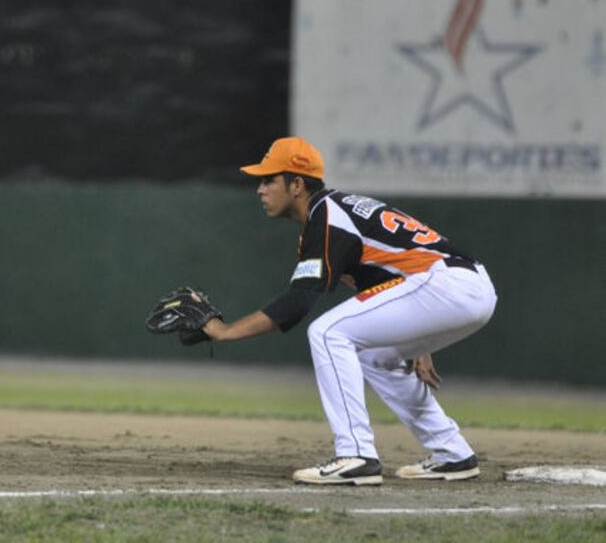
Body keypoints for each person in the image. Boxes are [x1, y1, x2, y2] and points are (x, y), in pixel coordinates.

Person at [202, 137, 496, 485]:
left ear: (296, 184)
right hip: (463, 286)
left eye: (269, 180)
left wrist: (224, 331)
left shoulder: (328, 215)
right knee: (374, 355)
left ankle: (356, 454)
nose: (260, 189)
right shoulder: (333, 212)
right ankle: (452, 453)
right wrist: (417, 341)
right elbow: (382, 280)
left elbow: (299, 300)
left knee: (328, 332)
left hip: (444, 284)